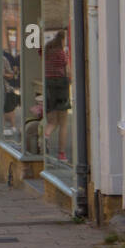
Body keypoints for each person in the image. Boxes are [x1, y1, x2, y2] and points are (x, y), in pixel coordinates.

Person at [44, 28, 71, 162]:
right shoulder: (61, 54)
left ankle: (45, 137)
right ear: (62, 40)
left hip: (49, 87)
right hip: (61, 88)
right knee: (64, 123)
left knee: (52, 121)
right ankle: (61, 154)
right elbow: (68, 71)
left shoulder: (47, 52)